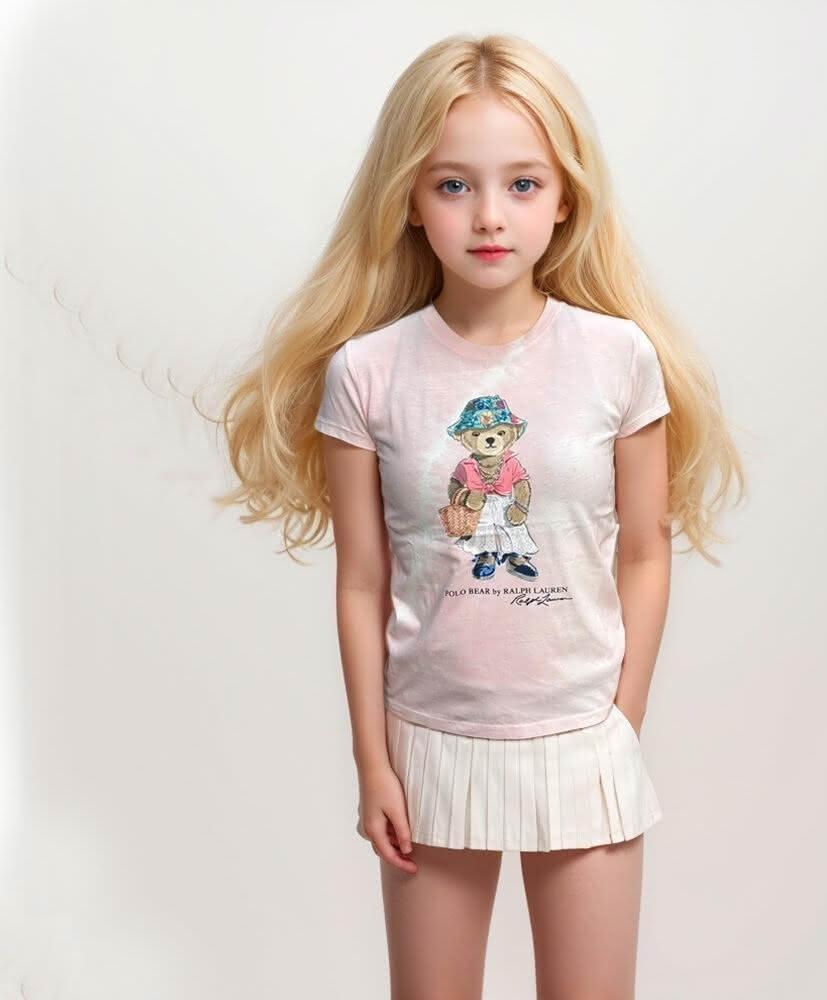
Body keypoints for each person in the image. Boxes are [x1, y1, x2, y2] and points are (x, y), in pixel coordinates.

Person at [212, 32, 745, 1000]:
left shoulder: (618, 358)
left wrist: (619, 724)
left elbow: (643, 551)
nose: (490, 216)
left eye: (523, 184)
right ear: (409, 201)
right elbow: (362, 582)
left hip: (582, 743)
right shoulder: (367, 371)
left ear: (566, 197)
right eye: (453, 185)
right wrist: (374, 762)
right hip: (429, 747)